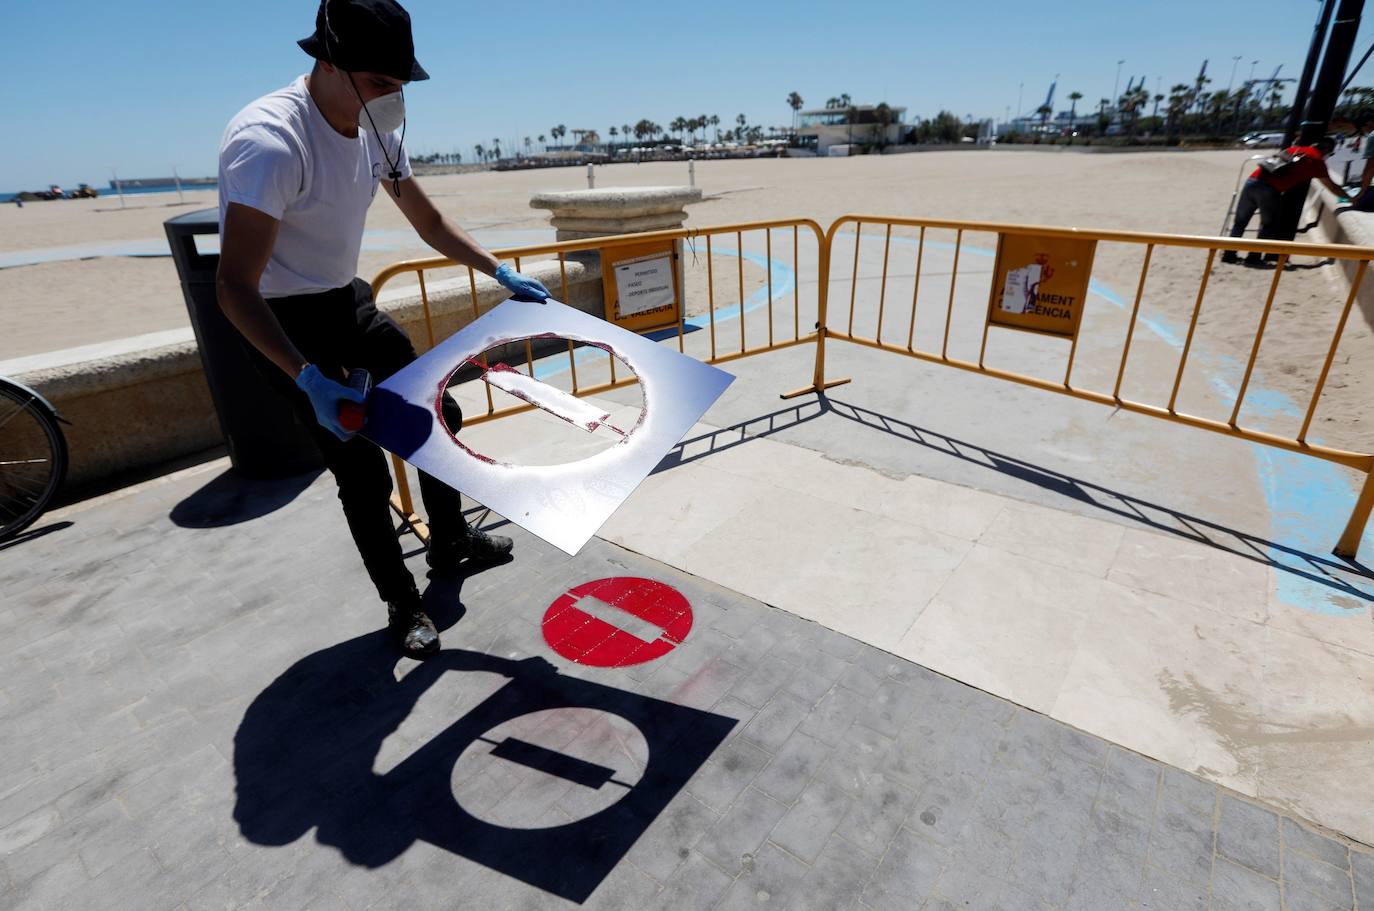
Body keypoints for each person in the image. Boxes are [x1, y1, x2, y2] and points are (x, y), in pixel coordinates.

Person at [215, 0, 551, 658]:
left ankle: (451, 540)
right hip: (282, 319)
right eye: (380, 83)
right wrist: (307, 377)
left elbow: (425, 220)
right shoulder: (270, 140)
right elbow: (233, 287)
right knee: (359, 460)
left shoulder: (376, 127)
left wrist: (497, 269)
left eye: (402, 85)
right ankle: (402, 602)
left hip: (345, 298)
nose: (393, 98)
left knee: (438, 408)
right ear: (328, 63)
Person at [1222, 136, 1345, 265]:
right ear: (1326, 149)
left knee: (1240, 222)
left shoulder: (1294, 149)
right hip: (1270, 190)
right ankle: (1254, 257)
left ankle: (1229, 255)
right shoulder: (1317, 162)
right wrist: (1351, 197)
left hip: (1252, 181)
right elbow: (1332, 187)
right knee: (1268, 226)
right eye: (1330, 153)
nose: (1328, 156)